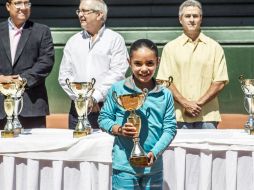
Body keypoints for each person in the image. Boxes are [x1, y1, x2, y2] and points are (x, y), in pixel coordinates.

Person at [98, 39, 177, 190]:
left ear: (158, 62)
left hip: (153, 168)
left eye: (150, 63)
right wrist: (119, 130)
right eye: (138, 63)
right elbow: (103, 118)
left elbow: (170, 129)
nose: (144, 69)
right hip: (124, 167)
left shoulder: (165, 94)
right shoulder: (117, 89)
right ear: (129, 62)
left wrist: (155, 152)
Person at [156, 0, 229, 129]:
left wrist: (197, 104)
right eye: (187, 16)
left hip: (207, 116)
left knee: (208, 150)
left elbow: (220, 82)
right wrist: (185, 103)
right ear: (180, 19)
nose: (191, 20)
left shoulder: (215, 47)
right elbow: (164, 81)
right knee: (177, 150)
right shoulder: (170, 48)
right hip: (178, 115)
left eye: (195, 16)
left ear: (201, 18)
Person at [58, 0, 128, 129]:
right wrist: (83, 100)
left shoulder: (115, 39)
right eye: (79, 11)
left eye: (85, 11)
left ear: (99, 14)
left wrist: (95, 97)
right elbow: (64, 76)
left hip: (107, 108)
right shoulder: (73, 41)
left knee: (106, 147)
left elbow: (118, 74)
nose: (80, 15)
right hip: (77, 109)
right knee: (75, 147)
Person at [0, 0, 55, 129]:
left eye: (27, 3)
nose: (23, 8)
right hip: (1, 107)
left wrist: (21, 80)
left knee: (35, 148)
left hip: (31, 106)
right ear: (8, 6)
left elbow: (46, 61)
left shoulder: (42, 31)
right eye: (18, 3)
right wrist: (1, 79)